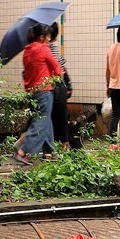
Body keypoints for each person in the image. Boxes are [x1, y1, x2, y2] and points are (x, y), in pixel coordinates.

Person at [15, 23, 62, 164]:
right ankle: (23, 151)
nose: (49, 38)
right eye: (47, 36)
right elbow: (57, 69)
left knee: (45, 119)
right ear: (41, 37)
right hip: (44, 90)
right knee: (41, 121)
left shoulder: (27, 50)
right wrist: (56, 77)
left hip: (32, 91)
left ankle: (50, 151)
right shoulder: (43, 48)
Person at [47, 22, 73, 151]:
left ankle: (56, 146)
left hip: (51, 87)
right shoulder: (48, 48)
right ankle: (62, 145)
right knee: (59, 117)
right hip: (56, 87)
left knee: (52, 117)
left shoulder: (48, 47)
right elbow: (60, 69)